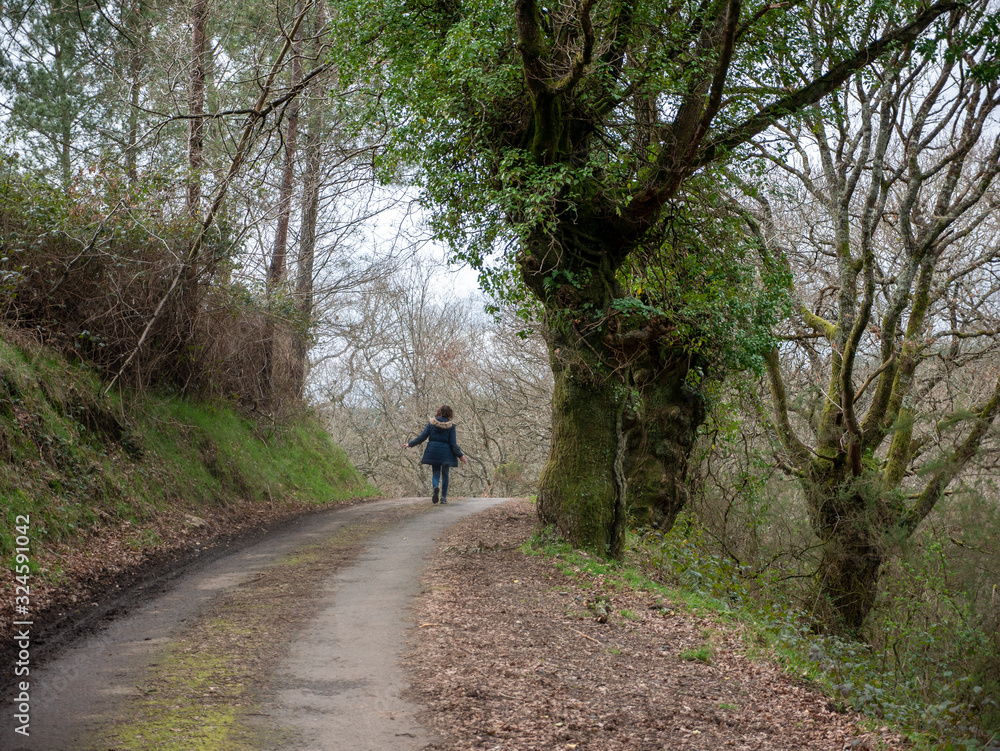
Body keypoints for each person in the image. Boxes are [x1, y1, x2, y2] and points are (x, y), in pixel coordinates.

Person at [403, 405, 468, 504]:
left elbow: (422, 437)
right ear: (450, 414)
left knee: (436, 473)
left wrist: (410, 444)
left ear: (439, 411)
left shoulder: (432, 423)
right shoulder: (451, 426)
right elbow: (453, 444)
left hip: (433, 452)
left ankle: (435, 487)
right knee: (445, 474)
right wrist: (461, 455)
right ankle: (443, 498)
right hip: (446, 453)